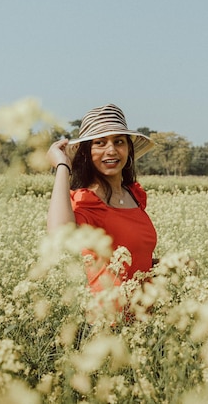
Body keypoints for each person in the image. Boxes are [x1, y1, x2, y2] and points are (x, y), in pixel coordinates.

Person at [46, 103, 157, 295]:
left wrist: (170, 264)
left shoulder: (134, 195)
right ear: (86, 153)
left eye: (119, 142)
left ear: (129, 149)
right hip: (106, 321)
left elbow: (136, 259)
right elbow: (58, 234)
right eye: (100, 143)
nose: (111, 150)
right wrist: (63, 166)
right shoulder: (86, 201)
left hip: (144, 318)